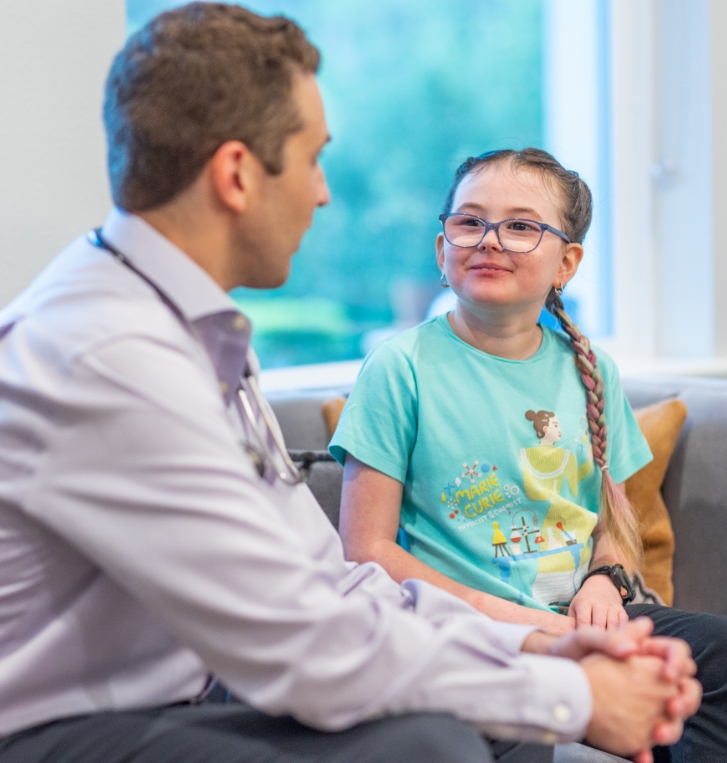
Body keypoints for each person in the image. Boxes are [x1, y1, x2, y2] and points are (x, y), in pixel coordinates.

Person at [0, 6, 699, 763]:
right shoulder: (108, 354)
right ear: (237, 174)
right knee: (433, 743)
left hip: (192, 696)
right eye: (312, 159)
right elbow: (299, 643)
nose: (324, 193)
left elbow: (331, 582)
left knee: (479, 724)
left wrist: (529, 646)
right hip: (57, 732)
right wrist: (573, 698)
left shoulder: (192, 333)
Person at [331, 147, 727, 761]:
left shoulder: (591, 369)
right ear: (442, 249)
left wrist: (604, 579)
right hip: (463, 629)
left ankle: (610, 716)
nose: (489, 240)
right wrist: (535, 627)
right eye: (469, 221)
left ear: (566, 262)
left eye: (520, 225)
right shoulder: (399, 369)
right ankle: (590, 713)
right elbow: (368, 553)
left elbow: (616, 522)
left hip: (587, 619)